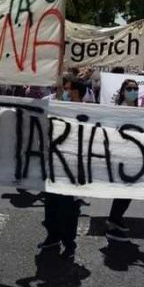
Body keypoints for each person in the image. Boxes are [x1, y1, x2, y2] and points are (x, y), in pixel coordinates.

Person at [39, 77, 86, 260]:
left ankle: (69, 243)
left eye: (67, 89)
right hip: (52, 167)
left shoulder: (87, 111)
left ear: (77, 92)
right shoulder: (54, 104)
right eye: (63, 88)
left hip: (72, 171)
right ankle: (52, 236)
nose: (64, 91)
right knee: (51, 206)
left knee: (69, 210)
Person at [106, 79, 140, 242]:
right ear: (123, 91)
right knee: (124, 190)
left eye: (136, 88)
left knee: (129, 191)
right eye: (130, 88)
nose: (133, 91)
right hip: (122, 155)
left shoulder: (140, 110)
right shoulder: (119, 110)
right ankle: (114, 219)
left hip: (135, 156)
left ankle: (115, 218)